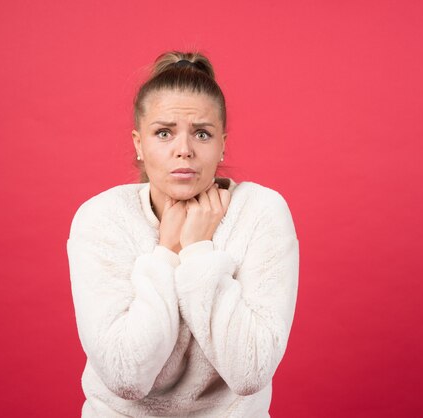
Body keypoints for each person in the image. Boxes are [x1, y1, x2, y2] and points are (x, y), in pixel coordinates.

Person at [66, 51, 300, 417]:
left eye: (202, 134)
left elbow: (250, 372)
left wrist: (199, 251)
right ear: (139, 144)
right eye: (163, 133)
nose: (184, 151)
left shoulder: (260, 212)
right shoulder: (102, 218)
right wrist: (165, 252)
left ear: (222, 143)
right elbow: (125, 376)